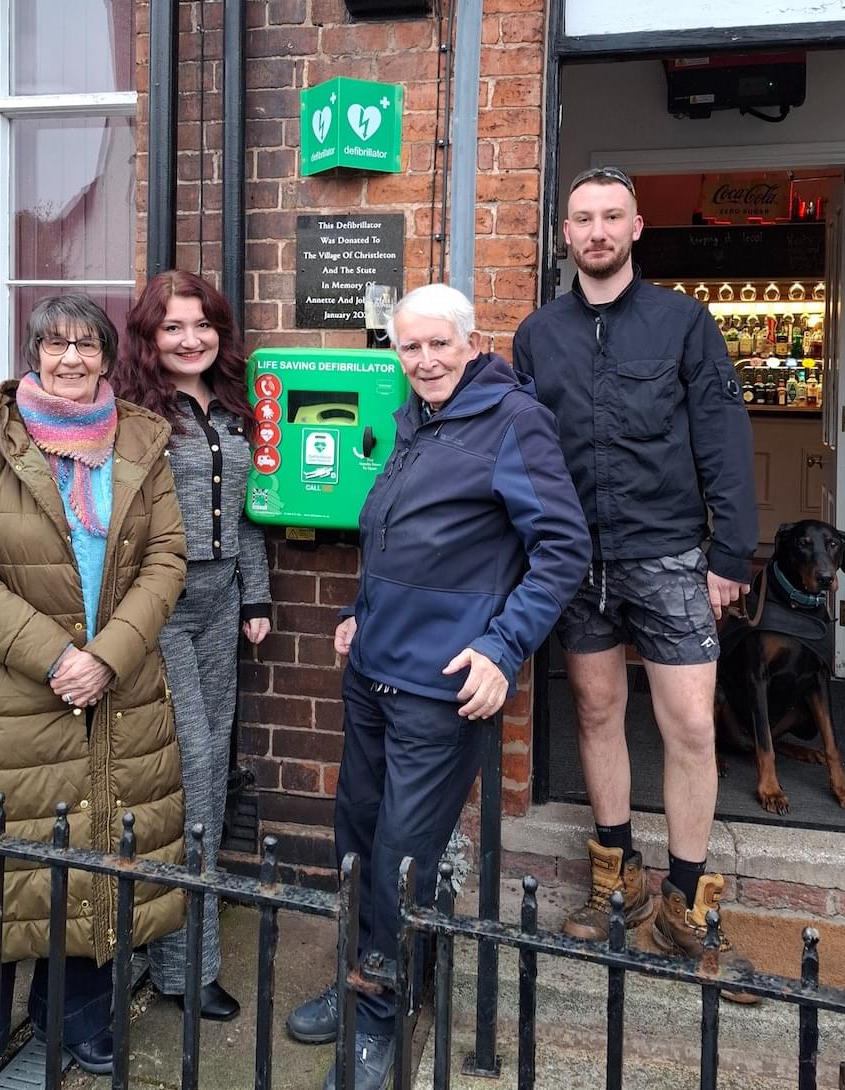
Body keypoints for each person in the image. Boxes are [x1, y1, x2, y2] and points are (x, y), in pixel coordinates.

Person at [285, 284, 589, 1090]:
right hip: (372, 673)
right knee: (356, 839)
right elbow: (396, 537)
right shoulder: (416, 421)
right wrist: (357, 611)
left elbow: (562, 548)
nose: (423, 360)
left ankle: (379, 1020)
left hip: (440, 687)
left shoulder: (513, 420)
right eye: (409, 347)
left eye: (438, 344)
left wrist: (502, 648)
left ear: (471, 343)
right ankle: (365, 978)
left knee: (401, 856)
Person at [0, 294, 189, 1090]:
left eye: (86, 344)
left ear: (108, 356)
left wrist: (106, 657)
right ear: (33, 353)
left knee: (94, 860)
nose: (71, 358)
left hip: (117, 695)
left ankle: (74, 1021)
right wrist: (58, 657)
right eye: (54, 343)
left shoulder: (141, 439)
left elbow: (165, 561)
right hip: (9, 701)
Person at [512, 166, 759, 991]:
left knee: (688, 723)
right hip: (576, 559)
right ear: (566, 233)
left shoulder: (684, 323)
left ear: (637, 227)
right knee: (595, 709)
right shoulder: (538, 335)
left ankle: (685, 903)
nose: (597, 231)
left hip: (669, 556)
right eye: (583, 219)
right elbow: (524, 447)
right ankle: (616, 876)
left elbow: (723, 435)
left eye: (611, 217)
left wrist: (731, 555)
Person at [115, 270, 271, 1022]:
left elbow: (247, 513)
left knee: (205, 773)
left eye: (202, 324)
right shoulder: (132, 412)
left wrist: (256, 595)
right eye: (172, 327)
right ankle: (185, 967)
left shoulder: (234, 407)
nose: (190, 339)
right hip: (159, 610)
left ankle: (163, 943)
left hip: (220, 605)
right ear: (149, 336)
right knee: (197, 771)